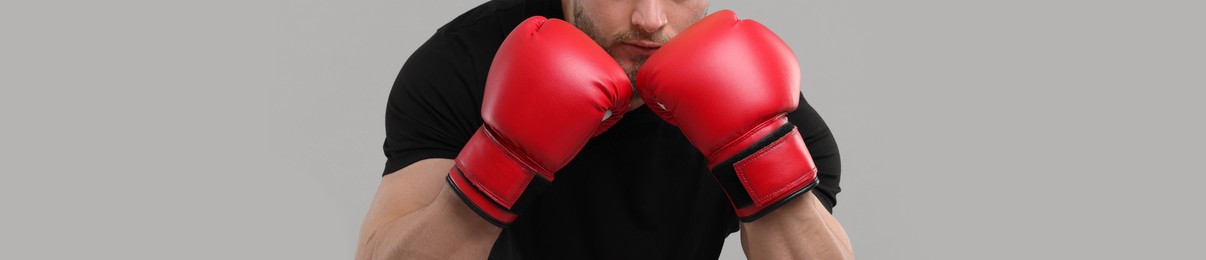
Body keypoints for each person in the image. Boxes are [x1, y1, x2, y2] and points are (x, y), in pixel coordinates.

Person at [356, 0, 853, 259]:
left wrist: (756, 150)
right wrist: (500, 162)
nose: (651, 20)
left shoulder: (767, 111)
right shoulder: (464, 67)